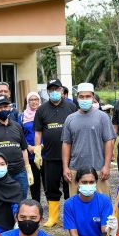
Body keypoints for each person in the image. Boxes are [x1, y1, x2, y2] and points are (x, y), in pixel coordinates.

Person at [33, 78, 77, 228]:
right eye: (51, 90)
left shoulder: (71, 106)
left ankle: (70, 217)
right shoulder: (42, 109)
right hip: (50, 156)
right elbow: (38, 132)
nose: (54, 92)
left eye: (56, 89)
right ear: (47, 92)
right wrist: (38, 151)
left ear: (62, 91)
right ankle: (53, 217)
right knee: (51, 187)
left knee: (69, 188)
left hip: (70, 157)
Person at [62, 82, 115, 196]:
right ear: (77, 98)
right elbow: (66, 144)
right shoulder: (70, 119)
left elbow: (109, 142)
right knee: (77, 205)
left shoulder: (103, 117)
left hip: (99, 169)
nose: (84, 99)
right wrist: (65, 167)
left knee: (101, 204)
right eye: (81, 96)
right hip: (75, 170)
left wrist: (106, 166)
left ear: (93, 97)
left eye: (88, 96)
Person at [63, 167, 116, 236]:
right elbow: (73, 233)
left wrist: (111, 228)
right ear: (77, 183)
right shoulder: (69, 204)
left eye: (91, 182)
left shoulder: (104, 201)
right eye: (84, 182)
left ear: (96, 183)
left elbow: (104, 229)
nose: (88, 185)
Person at [20, 91, 43, 200]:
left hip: (44, 152)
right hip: (29, 154)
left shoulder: (44, 113)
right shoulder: (22, 116)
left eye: (36, 99)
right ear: (27, 102)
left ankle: (50, 204)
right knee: (34, 181)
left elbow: (49, 133)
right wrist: (28, 146)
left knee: (48, 181)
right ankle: (36, 203)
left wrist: (41, 146)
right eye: (31, 100)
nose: (34, 102)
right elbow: (20, 134)